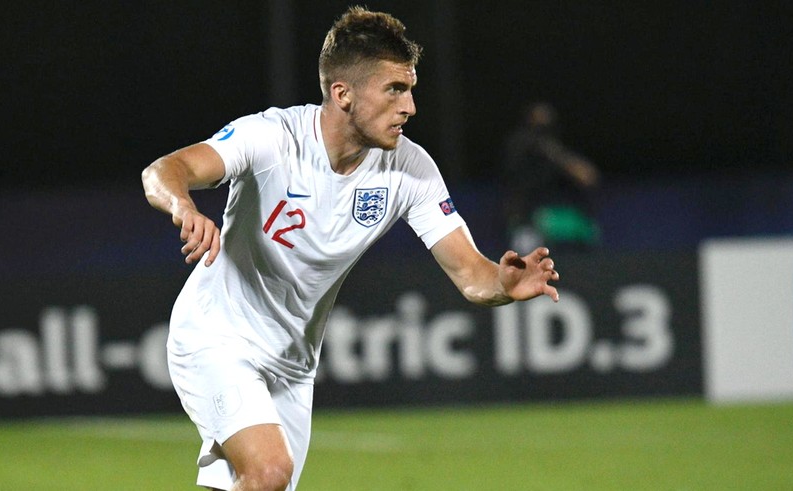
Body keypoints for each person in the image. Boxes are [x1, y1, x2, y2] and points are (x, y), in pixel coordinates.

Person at [141, 6, 559, 491]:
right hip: (216, 337)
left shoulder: (411, 170)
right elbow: (165, 170)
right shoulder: (273, 139)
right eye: (395, 90)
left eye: (411, 90)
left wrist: (504, 283)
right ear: (343, 94)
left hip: (293, 366)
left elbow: (472, 276)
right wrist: (184, 208)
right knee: (270, 472)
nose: (410, 107)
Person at [500, 101, 601, 253]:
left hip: (549, 211)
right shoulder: (520, 144)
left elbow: (587, 175)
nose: (543, 123)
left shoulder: (553, 147)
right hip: (524, 221)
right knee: (525, 246)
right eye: (538, 118)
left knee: (586, 230)